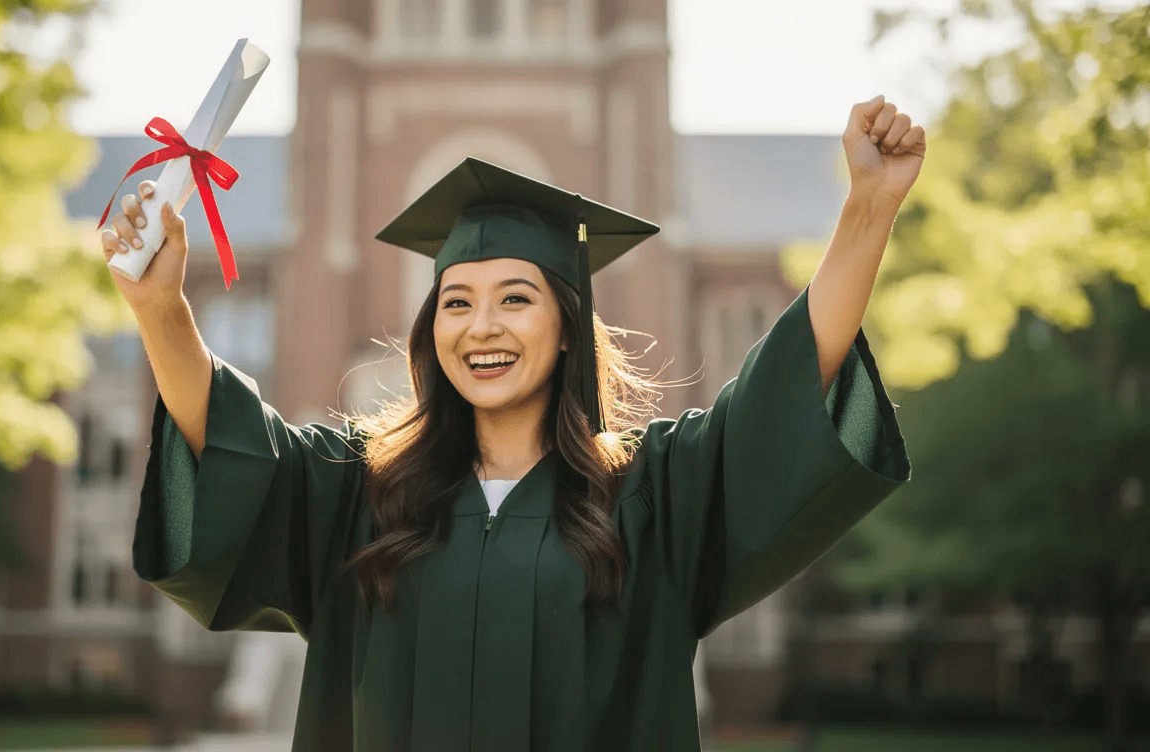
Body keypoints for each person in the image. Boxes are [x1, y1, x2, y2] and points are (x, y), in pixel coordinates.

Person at [100, 95, 922, 751]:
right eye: (456, 302)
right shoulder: (364, 495)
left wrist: (869, 209)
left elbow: (784, 391)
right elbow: (234, 442)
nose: (480, 327)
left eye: (515, 300)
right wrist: (161, 310)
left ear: (568, 323)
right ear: (432, 334)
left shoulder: (652, 496)